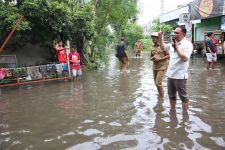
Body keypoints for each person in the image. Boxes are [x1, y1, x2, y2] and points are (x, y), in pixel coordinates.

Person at [158, 25, 193, 112]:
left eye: (177, 33)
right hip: (170, 74)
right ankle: (172, 113)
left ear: (183, 34)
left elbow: (185, 58)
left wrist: (176, 47)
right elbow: (163, 47)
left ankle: (185, 117)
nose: (174, 34)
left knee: (183, 97)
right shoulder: (172, 43)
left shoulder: (188, 44)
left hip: (180, 75)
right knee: (171, 95)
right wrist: (160, 37)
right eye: (174, 32)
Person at [150, 32, 169, 98]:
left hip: (162, 66)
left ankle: (162, 98)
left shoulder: (163, 46)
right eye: (152, 38)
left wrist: (160, 59)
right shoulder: (152, 47)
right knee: (156, 83)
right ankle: (160, 95)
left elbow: (168, 56)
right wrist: (152, 58)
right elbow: (151, 56)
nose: (153, 40)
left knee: (158, 83)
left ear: (158, 38)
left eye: (154, 38)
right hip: (154, 67)